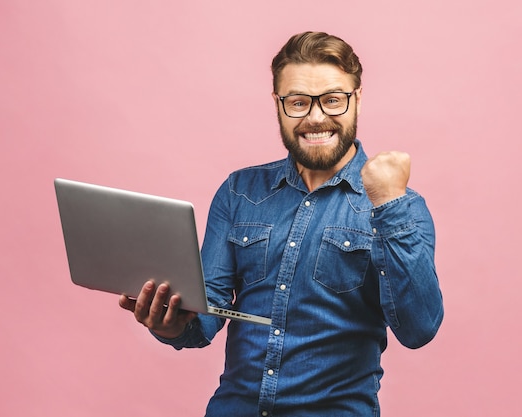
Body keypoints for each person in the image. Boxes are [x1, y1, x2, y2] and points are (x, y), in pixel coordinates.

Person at [119, 31, 444, 416]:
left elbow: (419, 329)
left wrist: (389, 204)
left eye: (333, 100)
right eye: (299, 102)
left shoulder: (401, 207)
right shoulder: (239, 191)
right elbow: (205, 319)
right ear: (278, 103)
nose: (316, 117)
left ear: (357, 99)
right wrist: (170, 323)